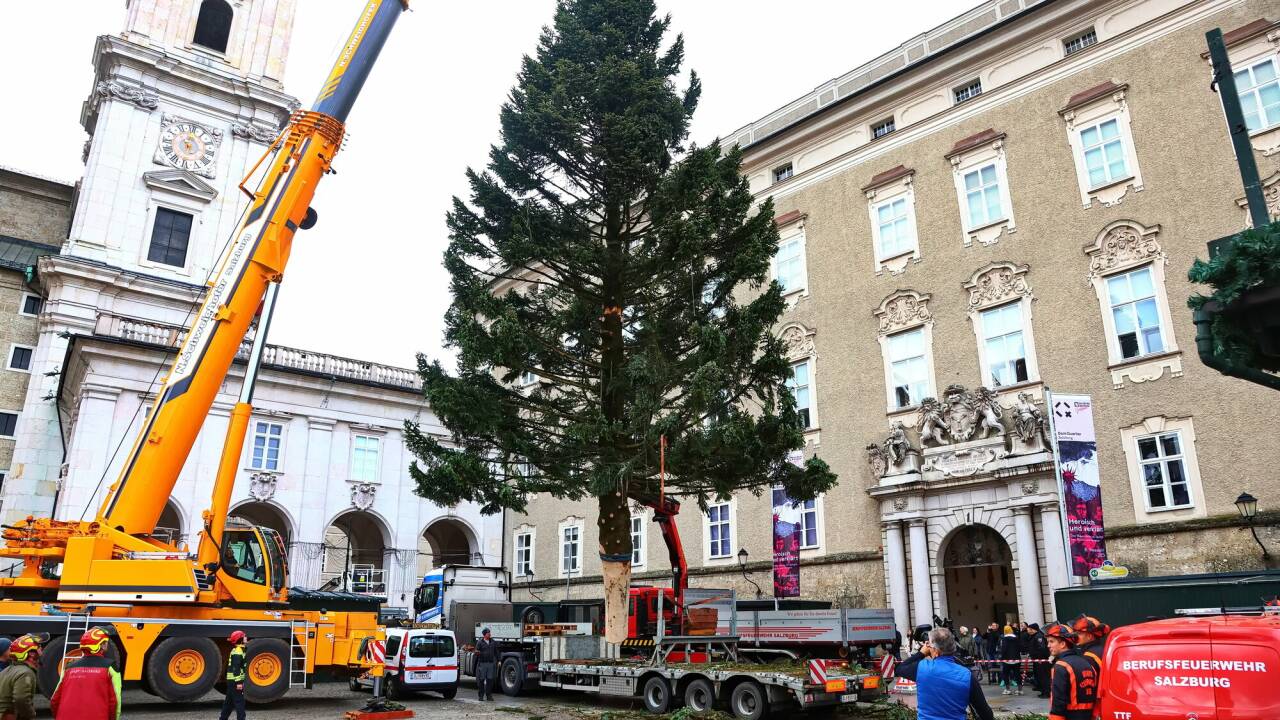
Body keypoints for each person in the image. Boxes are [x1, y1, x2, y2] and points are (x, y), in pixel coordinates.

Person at [897, 627, 994, 720]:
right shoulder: (966, 675)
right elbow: (985, 713)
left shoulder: (923, 668)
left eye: (929, 645)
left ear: (935, 650)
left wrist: (921, 653)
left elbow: (900, 668)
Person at [50, 628, 122, 720]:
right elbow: (115, 701)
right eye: (106, 642)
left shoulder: (69, 667)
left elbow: (54, 700)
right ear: (102, 645)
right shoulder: (110, 667)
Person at [1044, 623, 1098, 720]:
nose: (1048, 645)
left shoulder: (1061, 665)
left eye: (1051, 642)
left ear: (1063, 644)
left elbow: (1058, 699)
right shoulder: (1087, 662)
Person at [0, 634, 44, 720]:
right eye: (38, 648)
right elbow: (21, 699)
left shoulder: (9, 669)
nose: (41, 652)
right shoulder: (25, 673)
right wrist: (31, 714)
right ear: (31, 654)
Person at [221, 630, 248, 720]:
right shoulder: (238, 652)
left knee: (228, 703)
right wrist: (239, 682)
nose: (246, 637)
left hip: (232, 681)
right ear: (240, 639)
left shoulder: (238, 650)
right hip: (235, 681)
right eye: (244, 636)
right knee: (240, 703)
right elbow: (236, 668)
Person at [1027, 623, 1051, 698]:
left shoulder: (1038, 636)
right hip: (1037, 660)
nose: (1028, 631)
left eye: (1029, 629)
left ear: (1033, 629)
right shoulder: (1034, 636)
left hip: (1041, 660)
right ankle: (1042, 690)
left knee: (1044, 676)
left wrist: (1040, 658)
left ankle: (1046, 692)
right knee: (1040, 676)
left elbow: (1042, 649)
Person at [474, 627, 497, 701]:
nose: (489, 634)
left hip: (490, 663)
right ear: (484, 635)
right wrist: (477, 653)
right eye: (488, 633)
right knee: (481, 680)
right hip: (483, 663)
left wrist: (499, 660)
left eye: (489, 633)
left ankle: (489, 695)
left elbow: (496, 652)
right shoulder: (480, 642)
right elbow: (476, 652)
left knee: (490, 680)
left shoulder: (493, 642)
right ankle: (481, 696)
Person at [999, 624, 1022, 695]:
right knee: (1017, 674)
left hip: (1007, 660)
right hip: (1016, 659)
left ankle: (1008, 689)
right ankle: (1020, 690)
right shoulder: (1016, 638)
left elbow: (1004, 649)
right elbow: (1020, 648)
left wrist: (1001, 657)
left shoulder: (1004, 639)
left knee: (1005, 674)